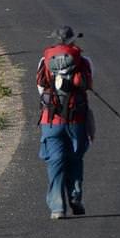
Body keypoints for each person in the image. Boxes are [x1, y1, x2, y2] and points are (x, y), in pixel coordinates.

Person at [34, 26, 93, 217]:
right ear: (72, 41)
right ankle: (76, 197)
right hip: (77, 119)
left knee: (55, 162)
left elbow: (41, 90)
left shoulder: (45, 61)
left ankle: (57, 207)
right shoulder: (84, 61)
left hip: (51, 120)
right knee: (75, 159)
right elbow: (88, 86)